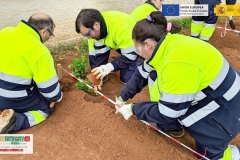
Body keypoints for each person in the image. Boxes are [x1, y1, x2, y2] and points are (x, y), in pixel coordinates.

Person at [116, 11, 240, 159]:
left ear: (147, 44)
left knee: (209, 154)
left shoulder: (175, 63)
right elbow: (142, 73)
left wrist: (134, 109)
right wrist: (123, 96)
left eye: (137, 48)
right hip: (215, 91)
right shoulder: (166, 44)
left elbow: (168, 112)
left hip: (225, 104)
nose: (138, 53)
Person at [0, 13, 63, 134]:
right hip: (11, 98)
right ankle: (15, 121)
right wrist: (59, 96)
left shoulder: (4, 32)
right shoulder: (39, 50)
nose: (49, 38)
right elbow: (52, 94)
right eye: (50, 34)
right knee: (45, 108)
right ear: (44, 31)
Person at [75, 9, 139, 90]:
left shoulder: (122, 28)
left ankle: (141, 62)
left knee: (126, 79)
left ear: (96, 25)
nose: (88, 38)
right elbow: (94, 55)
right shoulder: (96, 31)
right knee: (99, 49)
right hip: (116, 42)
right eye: (86, 36)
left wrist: (108, 68)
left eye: (88, 34)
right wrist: (97, 76)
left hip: (134, 46)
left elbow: (130, 56)